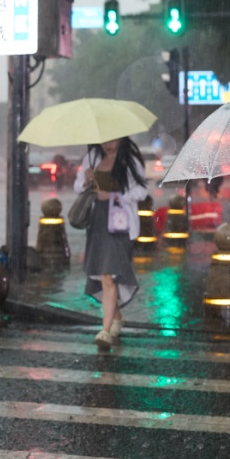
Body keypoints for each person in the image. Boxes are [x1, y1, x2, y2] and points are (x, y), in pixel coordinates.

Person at [74, 136, 148, 349]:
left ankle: (105, 331)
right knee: (103, 274)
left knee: (109, 274)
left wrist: (117, 195)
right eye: (104, 139)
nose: (108, 144)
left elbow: (142, 191)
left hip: (120, 223)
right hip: (97, 221)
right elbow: (78, 187)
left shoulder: (131, 160)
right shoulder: (92, 157)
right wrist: (86, 180)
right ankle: (116, 317)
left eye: (112, 139)